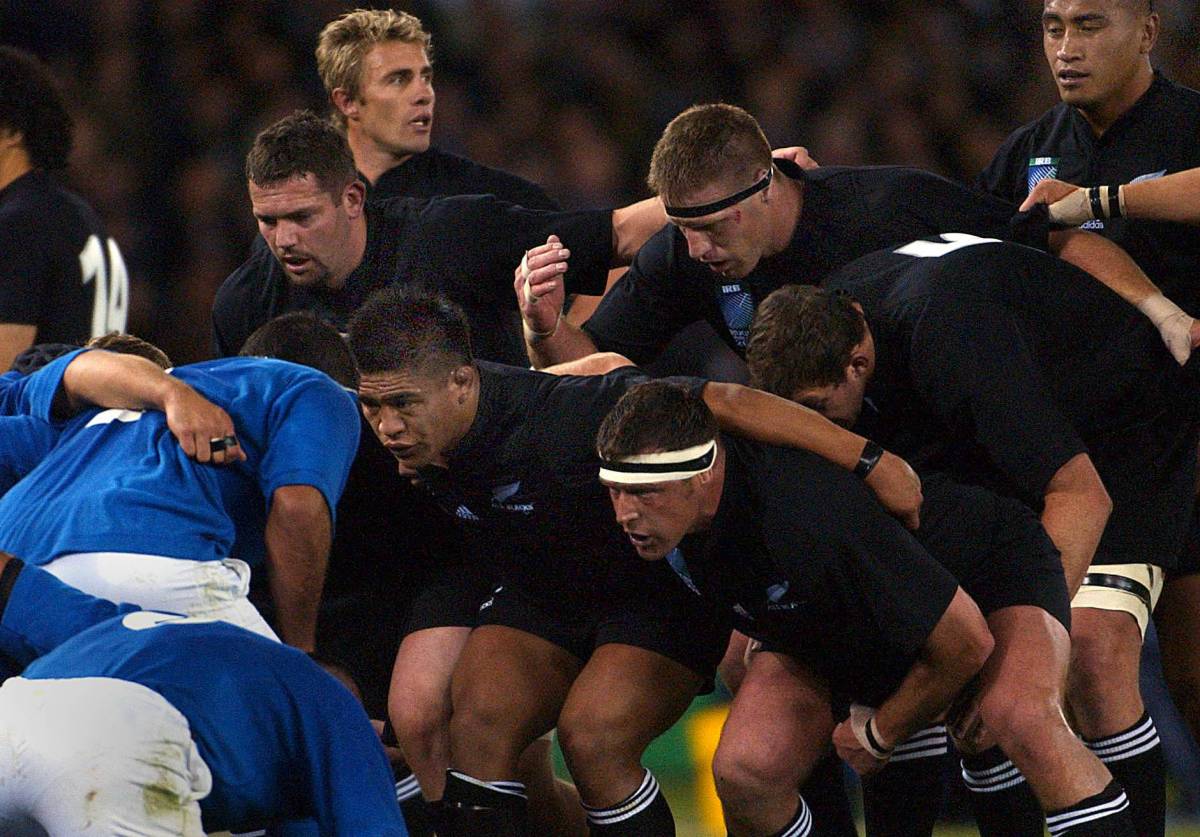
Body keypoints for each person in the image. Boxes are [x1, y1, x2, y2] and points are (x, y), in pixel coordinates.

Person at [344, 287, 922, 836]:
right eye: (373, 406)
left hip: (651, 591)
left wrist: (867, 458)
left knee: (592, 739)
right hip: (542, 591)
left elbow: (715, 399)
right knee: (472, 730)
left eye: (403, 405)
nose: (388, 426)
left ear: (462, 384)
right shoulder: (409, 441)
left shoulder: (557, 415)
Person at [750, 235, 1200, 836]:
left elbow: (1080, 494)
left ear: (858, 365)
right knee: (967, 667)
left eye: (816, 409)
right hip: (1020, 432)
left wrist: (1038, 645)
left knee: (1086, 656)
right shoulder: (835, 326)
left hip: (1124, 430)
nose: (814, 430)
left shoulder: (953, 343)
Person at [595, 379, 1137, 837]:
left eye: (646, 493)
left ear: (705, 474)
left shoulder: (808, 521)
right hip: (854, 611)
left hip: (984, 570)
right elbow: (709, 393)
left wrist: (883, 730)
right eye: (615, 490)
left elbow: (965, 641)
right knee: (745, 770)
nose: (625, 514)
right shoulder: (663, 457)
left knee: (1015, 716)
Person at [517, 102, 1196, 373]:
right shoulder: (683, 256)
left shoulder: (890, 206)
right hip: (831, 468)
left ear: (766, 182)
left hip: (959, 450)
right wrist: (543, 329)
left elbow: (1048, 240)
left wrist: (1159, 311)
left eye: (712, 227)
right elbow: (593, 367)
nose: (697, 250)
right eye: (683, 229)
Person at [979, 0, 1200, 754]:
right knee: (1091, 664)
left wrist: (1102, 202)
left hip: (1191, 436)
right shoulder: (1026, 155)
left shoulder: (1191, 128)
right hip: (1097, 456)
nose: (1066, 47)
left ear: (1145, 32)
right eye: (1052, 26)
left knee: (1195, 679)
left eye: (1089, 25)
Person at [0, 330, 360, 652]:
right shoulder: (316, 388)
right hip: (148, 551)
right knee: (298, 707)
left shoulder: (115, 405)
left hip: (15, 561)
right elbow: (298, 507)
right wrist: (302, 651)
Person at [0, 551, 407, 835]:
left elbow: (13, 583)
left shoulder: (131, 629)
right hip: (117, 736)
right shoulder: (332, 703)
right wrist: (366, 744)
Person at [211, 110, 664, 359]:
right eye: (268, 221)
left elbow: (620, 232)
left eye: (301, 217)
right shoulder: (246, 303)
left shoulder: (449, 235)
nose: (283, 239)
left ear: (352, 199)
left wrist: (725, 198)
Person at [315, 7, 556, 208]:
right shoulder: (302, 199)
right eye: (399, 79)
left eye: (426, 78)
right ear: (347, 102)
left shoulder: (488, 197)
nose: (424, 94)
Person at [0, 46, 128, 370]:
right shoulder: (76, 215)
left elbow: (2, 371)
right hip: (95, 416)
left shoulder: (18, 225)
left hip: (41, 419)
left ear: (13, 131)